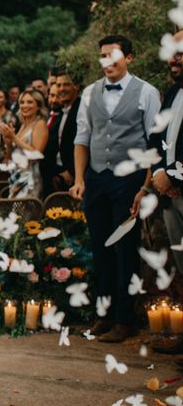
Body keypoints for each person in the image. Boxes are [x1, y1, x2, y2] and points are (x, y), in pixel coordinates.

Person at [70, 34, 160, 343]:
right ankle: (103, 314)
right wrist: (80, 179)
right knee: (100, 248)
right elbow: (82, 138)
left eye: (114, 55)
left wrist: (145, 187)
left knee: (125, 249)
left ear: (129, 58)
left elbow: (154, 143)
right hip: (96, 179)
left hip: (130, 180)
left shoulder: (147, 92)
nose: (107, 61)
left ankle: (126, 319)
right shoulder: (89, 92)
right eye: (103, 55)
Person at [150, 30, 183, 355]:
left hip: (179, 188)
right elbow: (157, 137)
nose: (174, 58)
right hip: (170, 194)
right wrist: (160, 171)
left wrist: (172, 175)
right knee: (181, 264)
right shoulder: (173, 93)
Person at [0, 90, 49, 198]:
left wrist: (13, 137)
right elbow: (9, 158)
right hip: (16, 176)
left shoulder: (40, 124)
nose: (25, 105)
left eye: (30, 102)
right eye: (22, 102)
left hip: (30, 179)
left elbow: (37, 155)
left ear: (38, 106)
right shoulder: (22, 126)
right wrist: (8, 143)